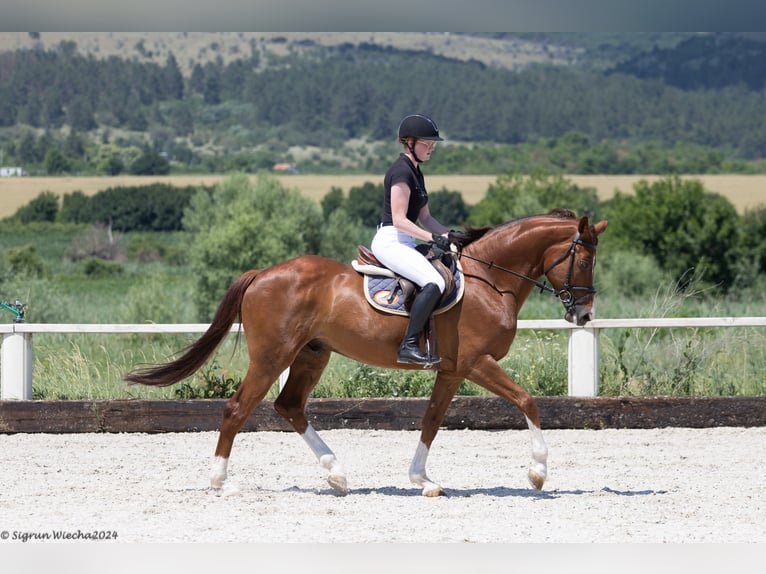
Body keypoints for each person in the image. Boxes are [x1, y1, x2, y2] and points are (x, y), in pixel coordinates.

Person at [371, 113, 453, 366]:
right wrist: (432, 239)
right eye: (426, 144)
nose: (431, 148)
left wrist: (450, 235)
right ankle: (408, 346)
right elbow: (400, 220)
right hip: (391, 240)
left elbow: (425, 217)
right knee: (434, 281)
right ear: (409, 142)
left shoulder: (416, 173)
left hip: (404, 241)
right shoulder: (401, 172)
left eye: (433, 145)